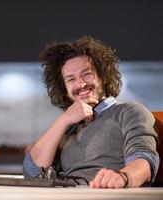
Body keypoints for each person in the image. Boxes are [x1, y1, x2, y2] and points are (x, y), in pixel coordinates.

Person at [23, 36, 159, 188]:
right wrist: (63, 121)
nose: (81, 84)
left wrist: (124, 177)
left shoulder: (129, 111)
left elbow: (144, 159)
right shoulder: (68, 125)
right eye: (71, 79)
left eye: (87, 73)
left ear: (103, 76)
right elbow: (32, 173)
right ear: (65, 89)